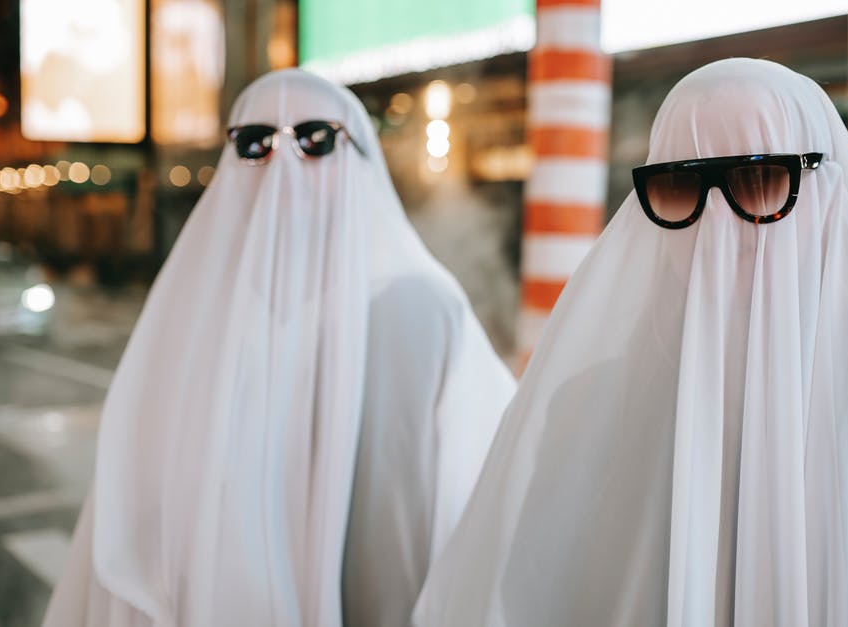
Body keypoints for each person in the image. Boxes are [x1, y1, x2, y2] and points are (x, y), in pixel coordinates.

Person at [413, 59, 848, 627]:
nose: (719, 225)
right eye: (682, 186)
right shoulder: (580, 405)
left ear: (827, 191)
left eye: (760, 178)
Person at [42, 70, 515, 627]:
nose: (284, 163)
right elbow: (138, 501)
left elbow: (489, 504)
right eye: (255, 143)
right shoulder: (195, 314)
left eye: (316, 138)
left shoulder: (426, 310)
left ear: (359, 159)